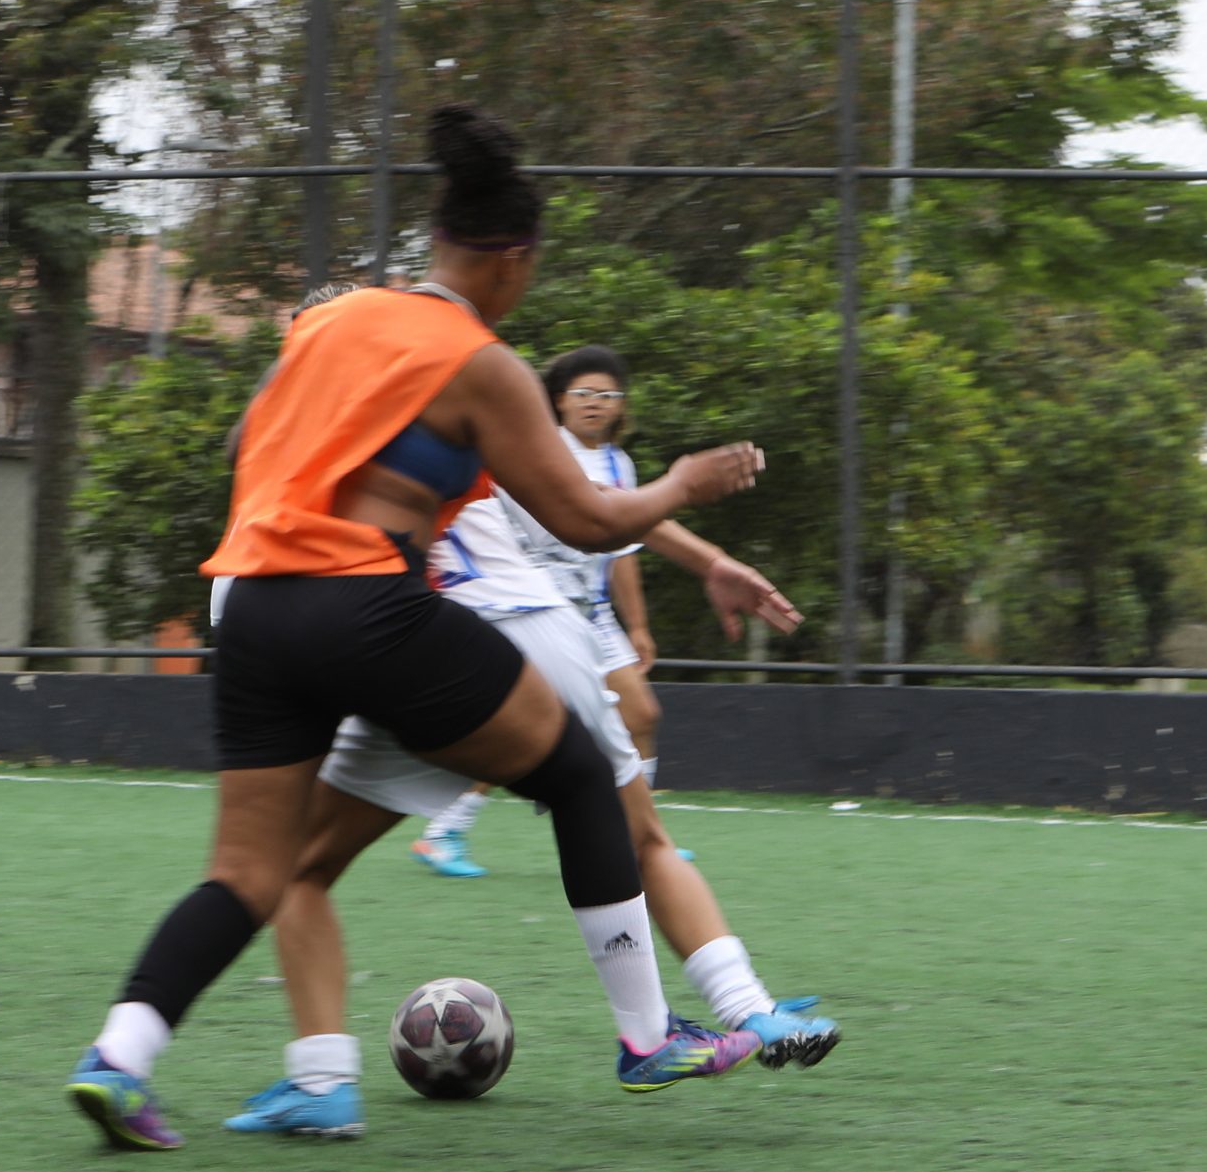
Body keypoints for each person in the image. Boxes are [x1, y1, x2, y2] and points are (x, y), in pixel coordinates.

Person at [63, 104, 778, 1152]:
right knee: (581, 774)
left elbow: (243, 442)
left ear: (437, 243)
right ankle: (645, 1037)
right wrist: (686, 483)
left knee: (249, 873)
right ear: (515, 259)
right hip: (366, 602)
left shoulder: (329, 321)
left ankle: (119, 1059)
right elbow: (584, 519)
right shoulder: (478, 360)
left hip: (254, 605)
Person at [223, 462, 842, 1136]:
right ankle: (746, 1013)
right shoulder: (428, 429)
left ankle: (321, 1081)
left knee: (301, 870)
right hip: (543, 632)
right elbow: (596, 505)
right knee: (643, 839)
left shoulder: (295, 500)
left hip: (424, 649)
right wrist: (711, 558)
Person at [411, 346, 664, 877]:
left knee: (641, 714)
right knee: (518, 729)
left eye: (608, 395)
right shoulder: (540, 447)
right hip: (534, 606)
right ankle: (444, 831)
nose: (596, 404)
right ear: (559, 401)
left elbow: (622, 551)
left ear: (621, 407)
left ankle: (640, 835)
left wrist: (637, 624)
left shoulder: (621, 464)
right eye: (584, 394)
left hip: (592, 612)